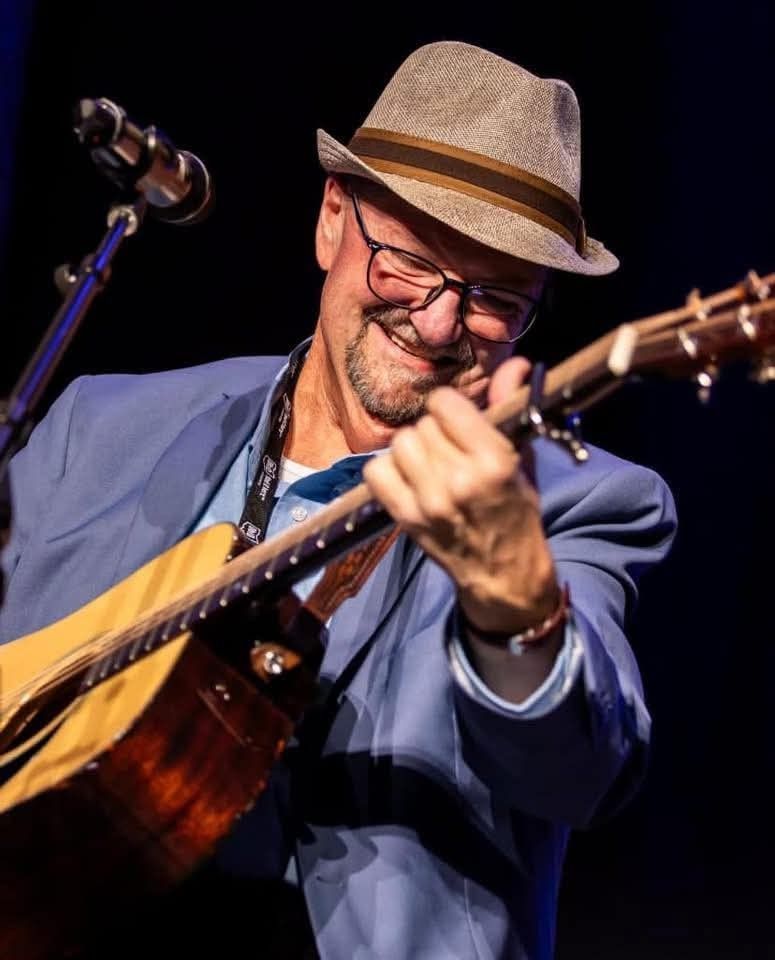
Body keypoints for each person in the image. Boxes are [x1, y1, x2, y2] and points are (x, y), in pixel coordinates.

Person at [0, 41, 675, 959]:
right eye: (406, 263)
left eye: (493, 298)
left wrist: (516, 600)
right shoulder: (98, 427)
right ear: (330, 222)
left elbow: (581, 771)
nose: (437, 323)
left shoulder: (580, 504)